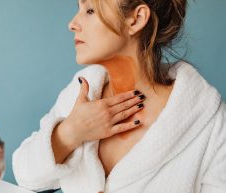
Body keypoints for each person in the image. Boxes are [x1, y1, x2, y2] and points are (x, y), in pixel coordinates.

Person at [12, 0, 226, 192]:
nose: (72, 24)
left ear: (136, 19)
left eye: (90, 10)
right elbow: (26, 176)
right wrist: (70, 132)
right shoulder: (81, 93)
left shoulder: (209, 124)